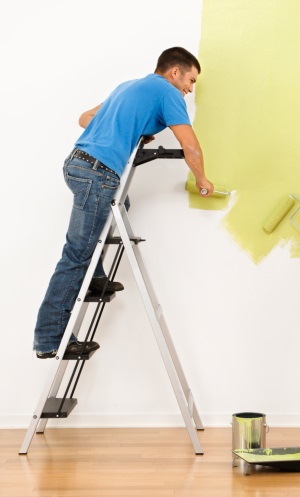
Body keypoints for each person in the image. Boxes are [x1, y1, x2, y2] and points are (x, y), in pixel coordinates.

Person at [34, 47, 214, 359]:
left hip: (78, 163)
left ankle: (96, 278)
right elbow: (191, 146)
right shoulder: (168, 92)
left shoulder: (128, 86)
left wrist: (134, 131)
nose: (190, 88)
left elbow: (85, 118)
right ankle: (51, 338)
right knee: (77, 254)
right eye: (191, 80)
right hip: (98, 172)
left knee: (120, 205)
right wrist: (201, 179)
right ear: (175, 72)